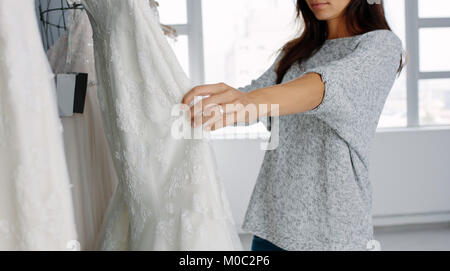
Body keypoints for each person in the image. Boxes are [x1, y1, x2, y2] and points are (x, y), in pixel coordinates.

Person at [182, 0, 404, 251]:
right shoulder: (298, 51)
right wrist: (197, 105)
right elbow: (255, 96)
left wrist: (252, 100)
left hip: (332, 229)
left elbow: (323, 88)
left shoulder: (381, 45)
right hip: (273, 220)